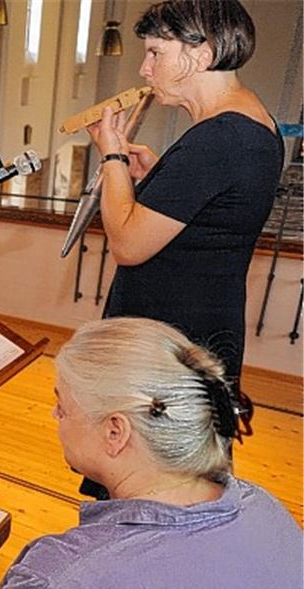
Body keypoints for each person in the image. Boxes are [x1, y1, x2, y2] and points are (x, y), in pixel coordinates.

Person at [0, 317, 303, 589]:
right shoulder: (264, 506)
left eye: (62, 406)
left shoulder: (56, 585)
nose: (54, 415)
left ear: (115, 431)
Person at [87, 0, 281, 391]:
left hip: (171, 342)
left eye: (155, 53)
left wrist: (111, 155)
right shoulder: (251, 123)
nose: (145, 69)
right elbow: (212, 210)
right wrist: (163, 175)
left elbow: (127, 244)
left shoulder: (221, 137)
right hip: (194, 328)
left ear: (201, 55)